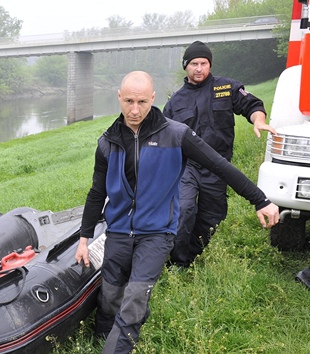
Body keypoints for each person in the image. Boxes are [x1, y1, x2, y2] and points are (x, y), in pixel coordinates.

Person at [74, 71, 279, 354]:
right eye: (130, 101)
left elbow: (220, 166)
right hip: (118, 232)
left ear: (153, 99)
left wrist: (260, 200)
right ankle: (103, 334)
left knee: (135, 298)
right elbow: (97, 193)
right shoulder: (107, 142)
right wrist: (84, 238)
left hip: (157, 233)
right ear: (119, 98)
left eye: (142, 102)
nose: (135, 110)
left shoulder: (177, 134)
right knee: (110, 295)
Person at [163, 40, 278, 267]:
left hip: (218, 168)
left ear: (210, 64)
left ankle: (188, 257)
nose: (199, 68)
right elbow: (166, 138)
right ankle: (175, 262)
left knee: (211, 218)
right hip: (188, 167)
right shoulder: (175, 102)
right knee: (184, 209)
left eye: (203, 63)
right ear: (185, 66)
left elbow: (252, 105)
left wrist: (259, 121)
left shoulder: (226, 88)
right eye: (194, 63)